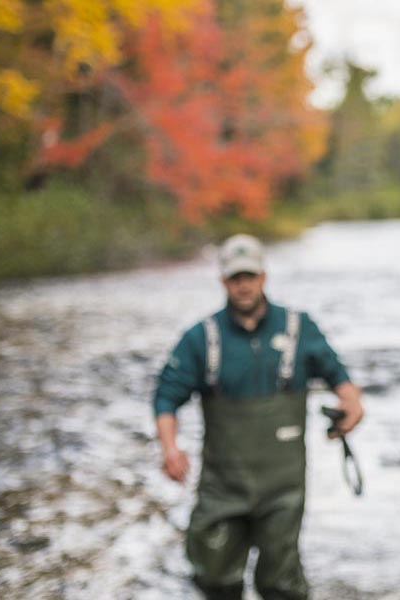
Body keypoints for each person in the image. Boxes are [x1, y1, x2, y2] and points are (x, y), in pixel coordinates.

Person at [153, 234, 363, 600]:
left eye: (249, 276)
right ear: (224, 282)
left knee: (281, 584)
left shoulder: (300, 328)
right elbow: (165, 397)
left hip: (282, 488)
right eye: (236, 278)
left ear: (263, 277)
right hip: (222, 487)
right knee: (214, 578)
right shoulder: (201, 338)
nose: (244, 285)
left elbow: (340, 380)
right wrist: (170, 449)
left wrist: (351, 407)